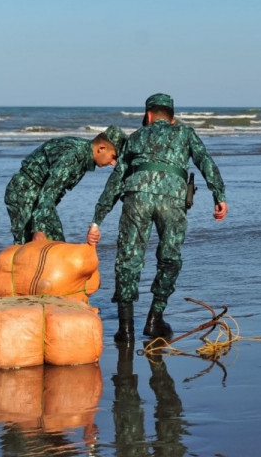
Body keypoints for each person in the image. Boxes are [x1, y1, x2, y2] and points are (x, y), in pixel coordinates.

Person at [91, 93, 228, 343]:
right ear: (172, 119)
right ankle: (155, 319)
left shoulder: (135, 137)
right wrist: (219, 196)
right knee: (169, 258)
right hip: (172, 200)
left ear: (149, 116)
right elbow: (205, 162)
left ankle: (126, 329)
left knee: (128, 258)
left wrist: (97, 219)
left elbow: (116, 180)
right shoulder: (186, 133)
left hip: (137, 197)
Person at [4, 125, 126, 245]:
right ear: (102, 148)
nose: (113, 163)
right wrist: (38, 229)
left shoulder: (84, 155)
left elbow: (55, 191)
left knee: (57, 244)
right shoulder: (73, 157)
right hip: (23, 191)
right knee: (28, 246)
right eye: (113, 156)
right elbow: (50, 191)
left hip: (42, 197)